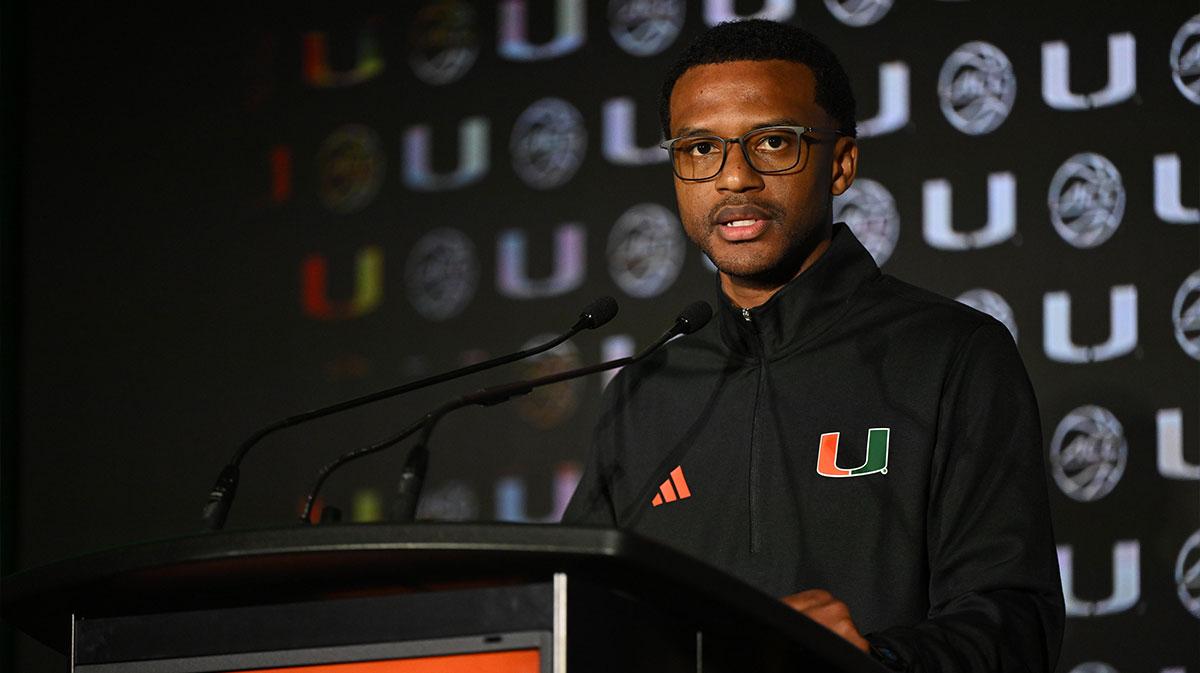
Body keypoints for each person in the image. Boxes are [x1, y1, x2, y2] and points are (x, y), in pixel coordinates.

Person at [562, 19, 1064, 671]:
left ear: (842, 164)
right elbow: (569, 619)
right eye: (699, 149)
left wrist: (870, 658)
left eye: (772, 142)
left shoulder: (951, 354)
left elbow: (1016, 624)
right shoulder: (645, 391)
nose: (733, 178)